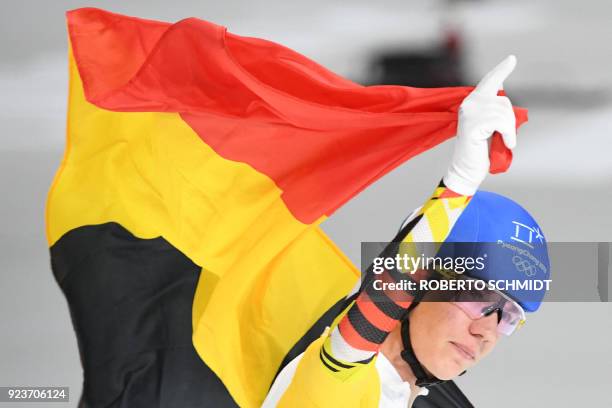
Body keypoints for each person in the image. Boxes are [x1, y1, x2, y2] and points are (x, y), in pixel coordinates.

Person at [263, 55, 551, 407]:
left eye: (507, 316)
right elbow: (360, 331)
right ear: (419, 282)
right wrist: (458, 183)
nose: (486, 332)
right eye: (477, 299)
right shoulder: (338, 382)